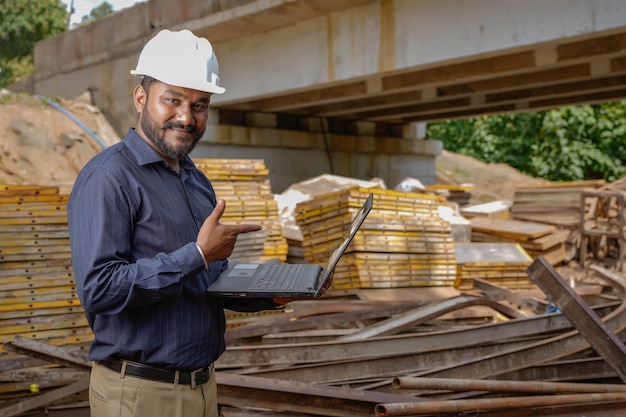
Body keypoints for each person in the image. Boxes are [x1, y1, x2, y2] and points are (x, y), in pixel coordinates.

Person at [68, 29, 329, 417]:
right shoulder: (109, 177)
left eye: (200, 105)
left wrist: (276, 292)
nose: (186, 117)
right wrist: (197, 255)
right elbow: (100, 289)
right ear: (141, 97)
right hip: (140, 395)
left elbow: (206, 281)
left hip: (202, 387)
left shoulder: (194, 180)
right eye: (172, 100)